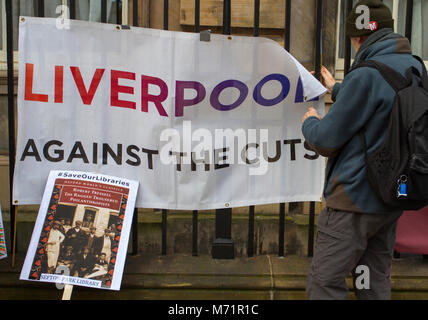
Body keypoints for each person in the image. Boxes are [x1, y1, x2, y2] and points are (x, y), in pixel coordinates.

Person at [301, 0, 423, 300]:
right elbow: (382, 102)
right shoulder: (414, 66)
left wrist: (310, 123)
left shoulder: (365, 73)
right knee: (371, 279)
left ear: (357, 39)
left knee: (325, 282)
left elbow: (326, 140)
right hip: (390, 197)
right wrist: (338, 88)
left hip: (354, 202)